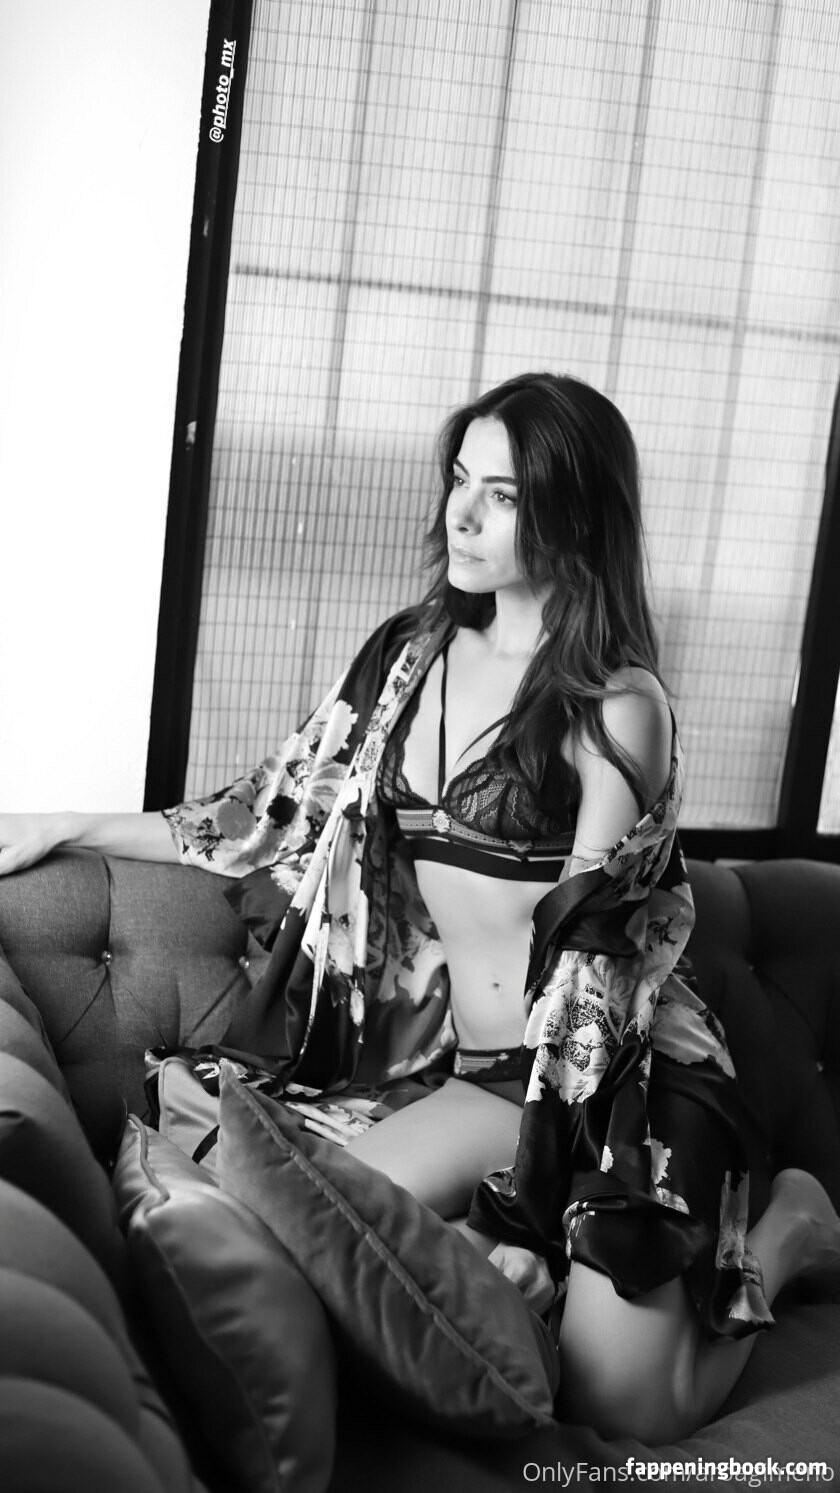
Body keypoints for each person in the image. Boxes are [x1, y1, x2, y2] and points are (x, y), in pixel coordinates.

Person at [2, 371, 838, 1445]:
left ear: (578, 516)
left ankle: (795, 1222)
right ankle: (517, 1254)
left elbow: (595, 977)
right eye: (459, 479)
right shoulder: (411, 656)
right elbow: (271, 811)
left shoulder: (618, 706)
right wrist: (66, 823)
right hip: (476, 1072)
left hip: (617, 1081)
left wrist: (530, 1204)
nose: (462, 513)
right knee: (297, 1217)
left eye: (503, 494)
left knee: (627, 1404)